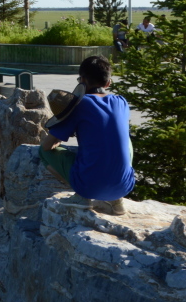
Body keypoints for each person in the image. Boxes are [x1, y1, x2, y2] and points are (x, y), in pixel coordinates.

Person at [38, 55, 135, 215]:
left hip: (89, 187)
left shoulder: (79, 105)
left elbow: (47, 145)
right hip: (124, 186)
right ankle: (116, 201)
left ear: (81, 80)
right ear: (108, 82)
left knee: (42, 152)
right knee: (125, 142)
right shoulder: (121, 101)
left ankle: (82, 197)